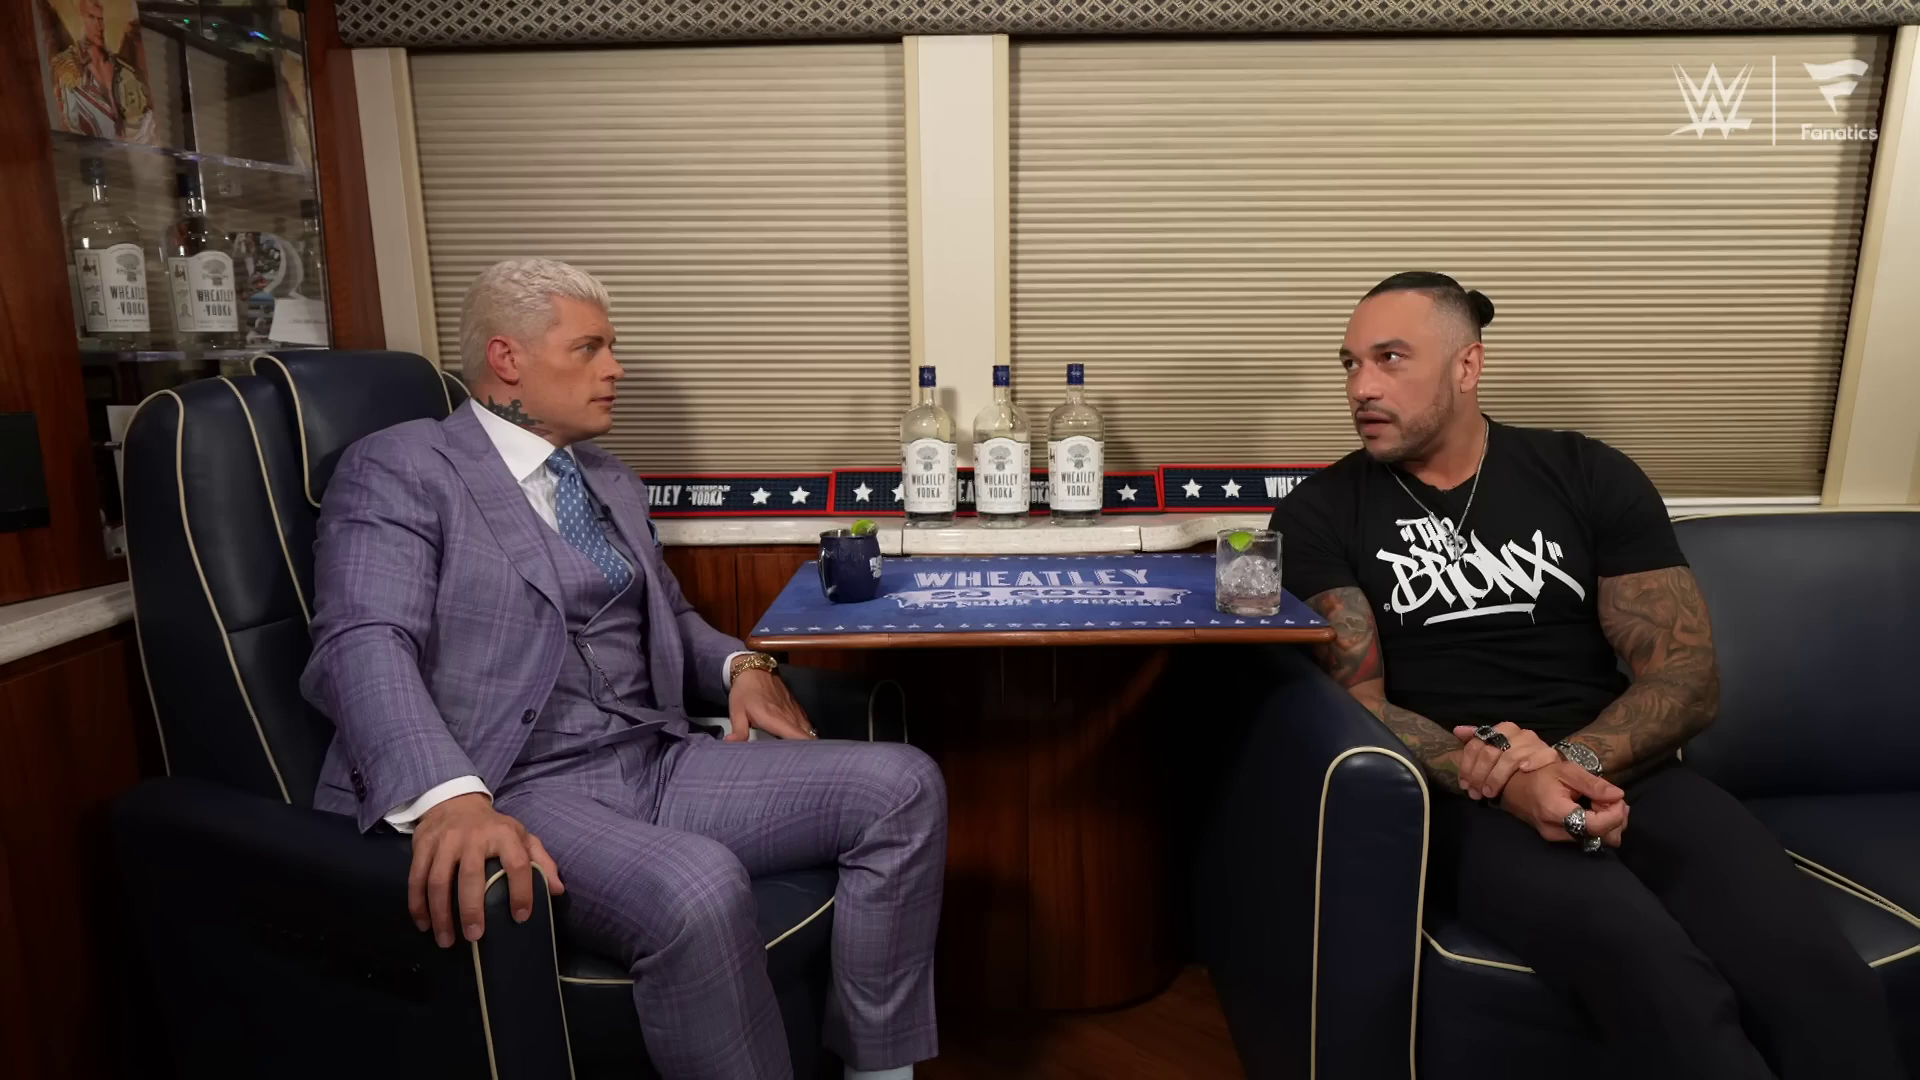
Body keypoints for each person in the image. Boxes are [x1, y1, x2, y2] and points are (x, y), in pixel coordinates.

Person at [302, 258, 945, 1080]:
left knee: (903, 786)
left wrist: (742, 664)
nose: (616, 368)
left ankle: (878, 1072)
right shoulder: (403, 466)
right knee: (698, 884)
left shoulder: (607, 479)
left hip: (654, 759)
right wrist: (451, 798)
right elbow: (362, 640)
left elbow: (667, 616)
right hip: (517, 784)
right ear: (507, 359)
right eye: (589, 349)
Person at [1268, 271, 1902, 1078]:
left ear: (1468, 365)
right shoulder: (1320, 512)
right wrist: (1506, 779)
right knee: (1655, 972)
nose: (1362, 387)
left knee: (1812, 971)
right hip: (1465, 802)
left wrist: (1571, 764)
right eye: (1351, 364)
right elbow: (1360, 701)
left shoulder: (1585, 472)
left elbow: (1686, 672)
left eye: (1390, 359)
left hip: (1628, 770)